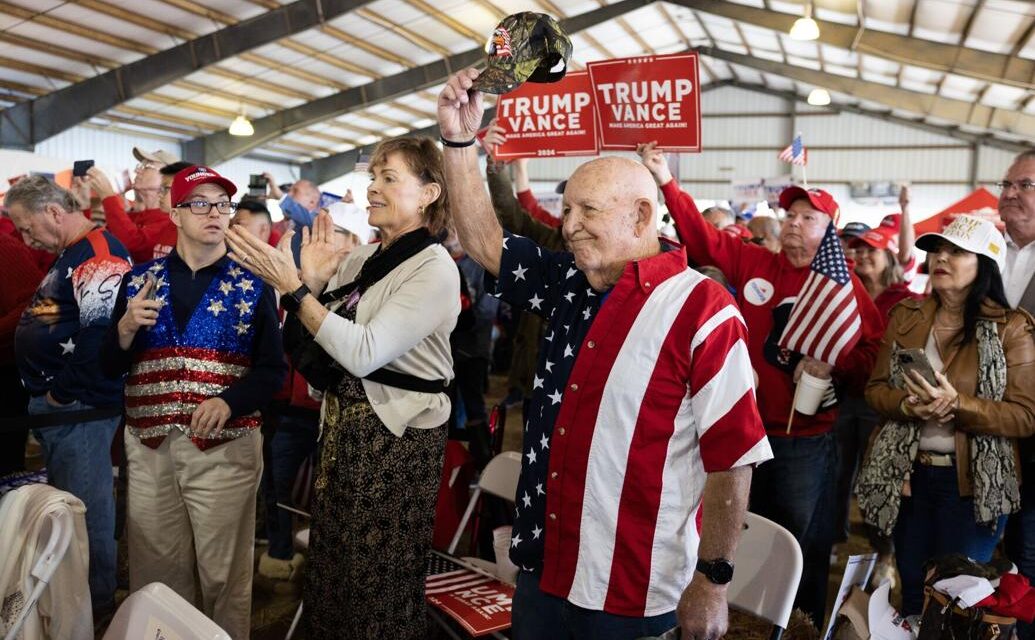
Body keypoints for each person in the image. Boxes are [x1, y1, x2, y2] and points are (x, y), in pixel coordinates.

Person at [439, 67, 772, 640]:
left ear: (641, 215)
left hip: (633, 592)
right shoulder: (569, 280)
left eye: (586, 211)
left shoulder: (703, 309)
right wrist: (459, 142)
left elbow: (732, 457)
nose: (568, 226)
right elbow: (483, 242)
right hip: (543, 566)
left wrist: (713, 579)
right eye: (566, 210)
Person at [224, 136, 459, 639]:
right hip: (344, 436)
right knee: (333, 574)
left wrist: (295, 289)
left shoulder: (434, 268)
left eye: (388, 178)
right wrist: (310, 282)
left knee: (377, 583)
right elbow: (315, 357)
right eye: (372, 177)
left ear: (429, 193)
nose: (372, 188)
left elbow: (361, 351)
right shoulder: (362, 259)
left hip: (396, 444)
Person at [639, 141, 883, 625]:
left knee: (798, 541)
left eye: (808, 217)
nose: (793, 221)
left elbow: (873, 352)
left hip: (804, 439)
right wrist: (666, 180)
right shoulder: (755, 262)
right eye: (790, 213)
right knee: (739, 531)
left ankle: (801, 625)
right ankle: (740, 616)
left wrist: (834, 367)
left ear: (829, 232)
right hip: (745, 434)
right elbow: (703, 240)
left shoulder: (842, 287)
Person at [100, 165, 285, 639]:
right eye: (199, 203)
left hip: (225, 449)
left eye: (222, 204)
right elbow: (105, 365)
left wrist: (231, 400)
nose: (214, 213)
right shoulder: (139, 280)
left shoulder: (253, 284)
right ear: (174, 212)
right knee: (157, 572)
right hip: (150, 447)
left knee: (224, 577)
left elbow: (272, 370)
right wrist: (123, 330)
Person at [857, 214, 1035, 614]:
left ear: (985, 263)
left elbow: (1025, 416)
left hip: (973, 487)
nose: (941, 258)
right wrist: (906, 405)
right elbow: (875, 391)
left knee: (957, 600)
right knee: (914, 592)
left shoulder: (1011, 328)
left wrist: (959, 405)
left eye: (957, 251)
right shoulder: (907, 316)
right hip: (908, 477)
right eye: (937, 250)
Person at [6, 175, 131, 617]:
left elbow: (99, 333)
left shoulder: (99, 252)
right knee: (70, 503)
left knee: (85, 507)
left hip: (79, 406)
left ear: (54, 212)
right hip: (64, 405)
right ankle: (77, 594)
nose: (25, 238)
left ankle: (95, 604)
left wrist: (60, 393)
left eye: (26, 227)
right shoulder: (70, 251)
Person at [834, 224, 923, 584]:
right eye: (858, 250)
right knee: (837, 477)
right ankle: (835, 538)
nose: (864, 255)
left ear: (889, 255)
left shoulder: (907, 300)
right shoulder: (844, 293)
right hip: (843, 396)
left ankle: (885, 553)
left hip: (883, 405)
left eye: (872, 249)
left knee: (879, 483)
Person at [996, 150, 1035, 640]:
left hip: (1034, 446)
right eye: (1007, 184)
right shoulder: (978, 251)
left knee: (1027, 558)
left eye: (1024, 185)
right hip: (975, 439)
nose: (1009, 194)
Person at [85, 164, 177, 263]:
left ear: (168, 178)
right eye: (140, 165)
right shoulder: (136, 216)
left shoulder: (170, 220)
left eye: (147, 166)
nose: (137, 170)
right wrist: (84, 203)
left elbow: (132, 242)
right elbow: (103, 237)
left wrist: (107, 194)